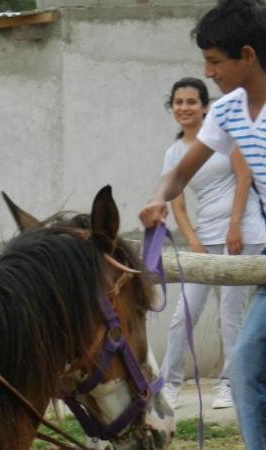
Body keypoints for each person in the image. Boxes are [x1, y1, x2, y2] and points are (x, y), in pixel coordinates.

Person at [139, 1, 266, 446]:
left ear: (247, 55)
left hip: (252, 241)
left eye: (215, 61)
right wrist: (158, 199)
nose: (208, 72)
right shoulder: (229, 112)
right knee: (248, 366)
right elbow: (180, 174)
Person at [157, 77, 266, 411]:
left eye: (192, 102)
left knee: (230, 314)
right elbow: (176, 202)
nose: (185, 108)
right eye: (179, 102)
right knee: (183, 315)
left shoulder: (227, 139)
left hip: (241, 234)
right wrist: (193, 241)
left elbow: (244, 178)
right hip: (204, 240)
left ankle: (228, 384)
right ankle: (168, 384)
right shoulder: (174, 152)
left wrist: (235, 226)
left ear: (205, 107)